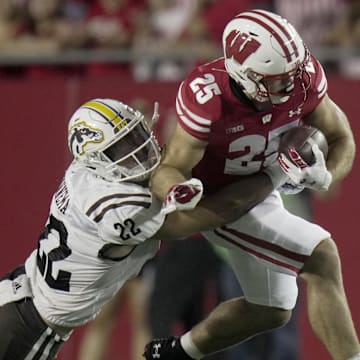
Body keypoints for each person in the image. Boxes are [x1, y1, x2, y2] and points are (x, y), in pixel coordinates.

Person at [144, 8, 359, 360]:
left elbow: (341, 136)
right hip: (221, 202)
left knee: (272, 310)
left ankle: (179, 353)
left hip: (265, 191)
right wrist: (177, 190)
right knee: (322, 258)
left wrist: (328, 174)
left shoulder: (301, 78)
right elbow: (170, 167)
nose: (292, 84)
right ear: (245, 75)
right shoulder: (208, 98)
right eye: (279, 79)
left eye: (294, 72)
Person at [0, 97, 286, 359]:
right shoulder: (120, 209)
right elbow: (221, 212)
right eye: (122, 148)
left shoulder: (82, 172)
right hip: (31, 325)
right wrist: (278, 172)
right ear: (98, 160)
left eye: (136, 134)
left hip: (17, 291)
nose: (138, 149)